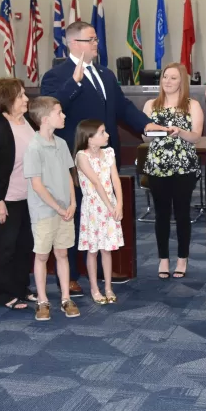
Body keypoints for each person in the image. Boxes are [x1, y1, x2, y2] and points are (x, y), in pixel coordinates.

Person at [40, 20, 162, 295]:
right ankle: (70, 273)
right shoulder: (56, 76)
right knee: (74, 213)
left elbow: (123, 107)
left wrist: (145, 124)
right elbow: (48, 111)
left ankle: (98, 269)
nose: (97, 43)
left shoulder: (105, 74)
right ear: (73, 44)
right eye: (91, 39)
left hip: (105, 158)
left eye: (96, 39)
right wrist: (74, 83)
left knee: (102, 213)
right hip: (75, 161)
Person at [0, 77, 36, 311]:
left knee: (24, 246)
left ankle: (21, 288)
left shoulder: (27, 120)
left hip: (28, 197)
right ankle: (4, 293)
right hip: (7, 198)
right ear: (7, 99)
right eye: (21, 95)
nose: (26, 99)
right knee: (6, 247)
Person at [142, 62, 203, 279]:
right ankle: (163, 259)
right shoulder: (151, 104)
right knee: (162, 214)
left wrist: (180, 132)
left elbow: (196, 135)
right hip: (157, 166)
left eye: (173, 78)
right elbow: (144, 136)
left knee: (182, 213)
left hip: (183, 166)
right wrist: (156, 132)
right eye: (165, 77)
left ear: (182, 81)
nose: (167, 81)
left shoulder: (192, 105)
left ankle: (182, 259)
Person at [24, 96, 80, 322]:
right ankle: (42, 300)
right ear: (46, 119)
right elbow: (37, 185)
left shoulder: (62, 143)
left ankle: (66, 298)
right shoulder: (34, 147)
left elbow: (68, 175)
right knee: (42, 256)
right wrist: (57, 206)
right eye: (59, 112)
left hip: (64, 210)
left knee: (62, 253)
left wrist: (73, 202)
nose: (64, 115)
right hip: (45, 212)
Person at [74, 120, 124, 304]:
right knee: (93, 250)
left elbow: (115, 180)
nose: (107, 135)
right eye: (102, 132)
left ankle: (108, 287)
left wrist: (119, 205)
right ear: (89, 138)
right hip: (94, 208)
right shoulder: (82, 156)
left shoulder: (109, 152)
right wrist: (111, 207)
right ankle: (95, 288)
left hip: (109, 205)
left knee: (107, 249)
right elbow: (96, 183)